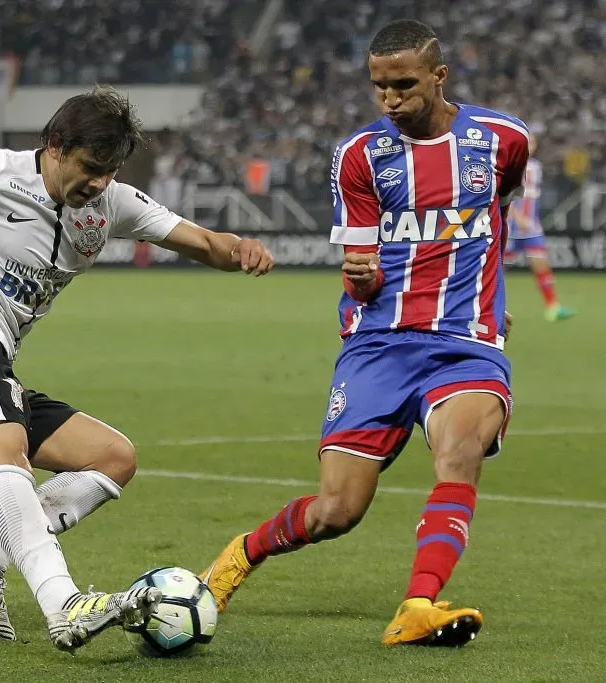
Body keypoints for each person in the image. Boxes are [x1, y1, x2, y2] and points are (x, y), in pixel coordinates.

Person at [0, 87, 274, 653]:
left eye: (110, 172)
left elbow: (204, 242)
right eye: (90, 167)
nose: (99, 183)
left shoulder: (112, 204)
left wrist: (240, 250)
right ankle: (62, 604)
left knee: (111, 458)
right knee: (6, 450)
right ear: (55, 146)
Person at [199, 20, 527, 647]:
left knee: (459, 454)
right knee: (337, 512)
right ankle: (241, 554)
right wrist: (362, 277)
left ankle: (418, 605)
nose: (391, 99)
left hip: (466, 345)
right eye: (380, 87)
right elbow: (360, 274)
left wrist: (493, 296)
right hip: (378, 345)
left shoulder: (503, 140)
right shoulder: (360, 155)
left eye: (405, 85)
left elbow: (498, 215)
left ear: (439, 76)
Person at [505, 134, 575, 321]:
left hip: (531, 228)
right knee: (496, 270)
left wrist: (531, 220)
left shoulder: (536, 167)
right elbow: (505, 195)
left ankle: (553, 308)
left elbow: (532, 198)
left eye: (533, 143)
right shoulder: (510, 165)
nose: (530, 146)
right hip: (512, 228)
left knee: (542, 265)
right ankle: (482, 306)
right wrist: (518, 218)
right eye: (527, 143)